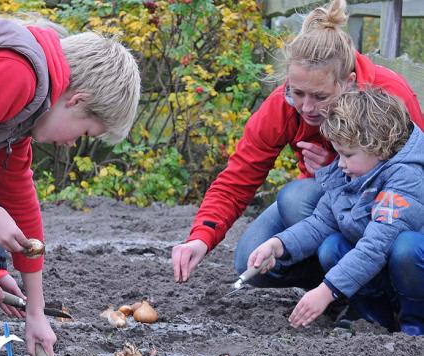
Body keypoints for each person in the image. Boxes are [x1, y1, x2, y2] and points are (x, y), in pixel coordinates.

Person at [0, 0, 140, 356]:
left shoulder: (26, 113)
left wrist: (34, 310)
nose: (72, 144)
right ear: (77, 101)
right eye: (86, 133)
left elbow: (19, 203)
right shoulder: (19, 76)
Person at [171, 0, 423, 291]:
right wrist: (201, 236)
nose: (306, 107)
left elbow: (415, 173)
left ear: (348, 82)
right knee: (250, 259)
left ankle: (374, 288)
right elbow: (238, 178)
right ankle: (336, 280)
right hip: (329, 207)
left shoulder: (389, 96)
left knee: (295, 198)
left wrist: (335, 167)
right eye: (297, 92)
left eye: (319, 96)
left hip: (389, 211)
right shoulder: (283, 106)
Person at [248, 87, 424, 335]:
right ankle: (373, 314)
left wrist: (327, 290)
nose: (339, 163)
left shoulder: (407, 177)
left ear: (380, 148)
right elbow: (320, 222)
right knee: (332, 245)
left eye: (348, 155)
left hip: (413, 274)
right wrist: (278, 245)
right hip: (388, 274)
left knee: (406, 247)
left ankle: (415, 325)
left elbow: (376, 246)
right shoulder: (354, 170)